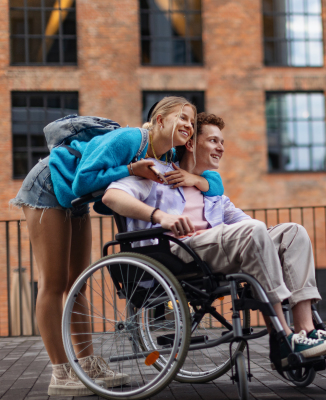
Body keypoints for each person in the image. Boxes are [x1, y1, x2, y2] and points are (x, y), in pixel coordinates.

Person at [102, 112, 326, 366]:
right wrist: (159, 216)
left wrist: (273, 241)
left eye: (222, 142)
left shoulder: (213, 193)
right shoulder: (158, 174)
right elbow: (112, 197)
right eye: (213, 141)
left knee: (293, 232)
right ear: (191, 143)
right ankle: (282, 336)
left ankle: (307, 331)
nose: (221, 148)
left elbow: (251, 226)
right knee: (254, 232)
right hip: (178, 251)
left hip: (214, 249)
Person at [9, 97, 224, 396]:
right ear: (160, 121)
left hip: (74, 199)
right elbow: (83, 180)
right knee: (54, 282)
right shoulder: (132, 138)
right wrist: (132, 169)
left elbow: (215, 185)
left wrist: (192, 178)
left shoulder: (170, 155)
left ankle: (88, 364)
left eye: (192, 120)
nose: (189, 124)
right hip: (49, 185)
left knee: (77, 284)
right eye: (182, 117)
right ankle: (61, 371)